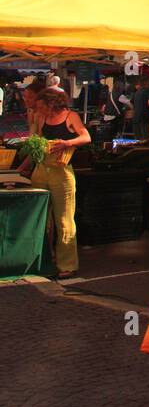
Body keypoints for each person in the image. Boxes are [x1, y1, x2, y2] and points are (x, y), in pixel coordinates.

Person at [29, 86, 91, 278]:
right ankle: (44, 260)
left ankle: (67, 265)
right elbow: (36, 142)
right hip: (41, 170)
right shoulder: (40, 118)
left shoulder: (70, 116)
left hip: (61, 171)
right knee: (40, 220)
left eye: (41, 107)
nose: (39, 110)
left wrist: (67, 143)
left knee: (64, 220)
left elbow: (86, 137)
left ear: (51, 104)